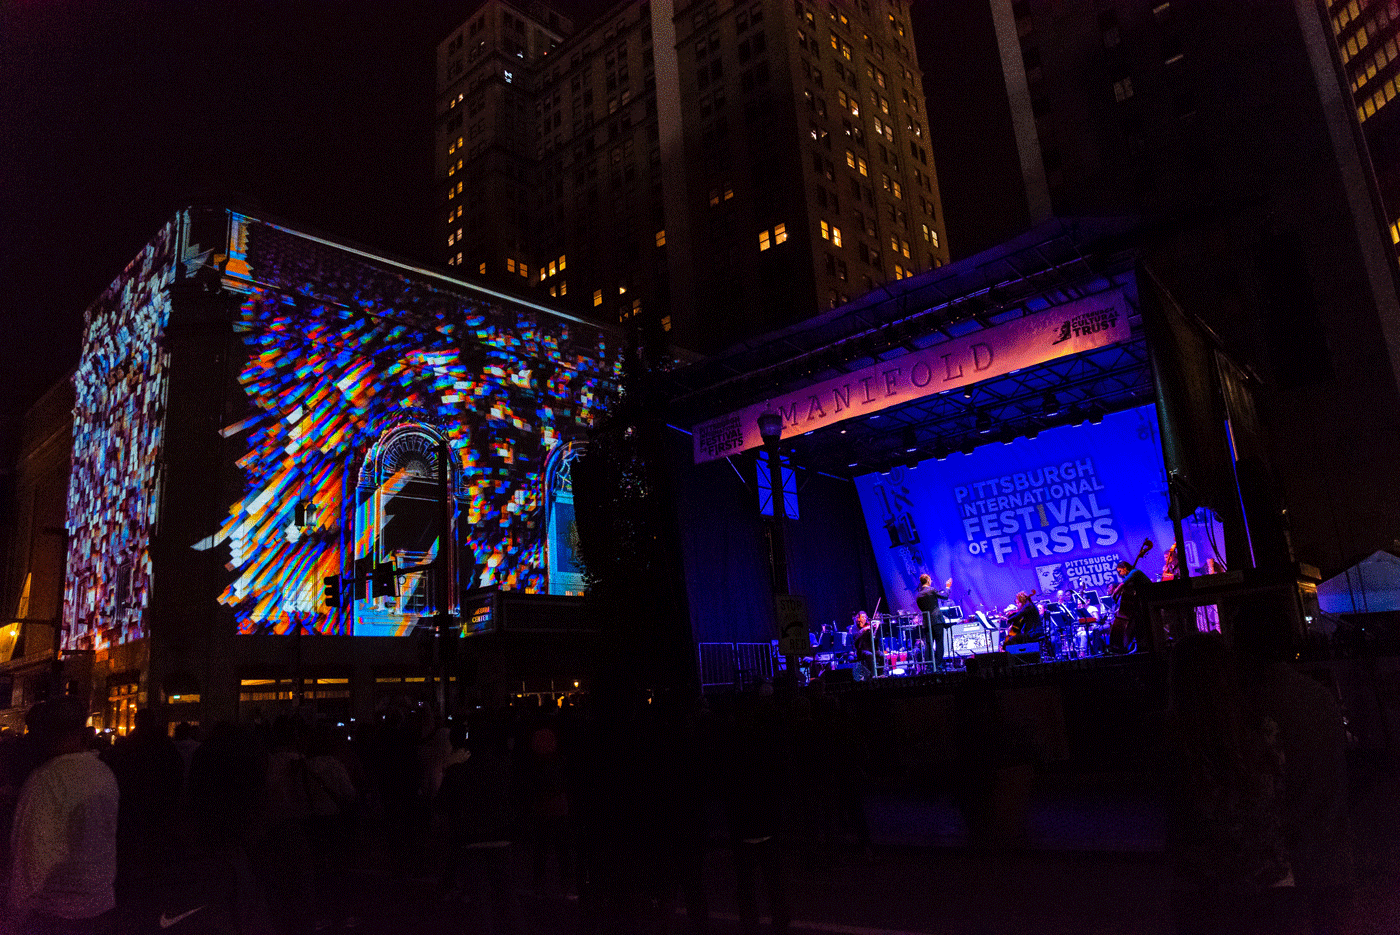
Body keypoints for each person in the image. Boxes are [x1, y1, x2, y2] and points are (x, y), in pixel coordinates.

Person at [9, 696, 120, 935]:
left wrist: (17, 912)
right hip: (98, 901)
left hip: (55, 911)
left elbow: (31, 857)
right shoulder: (104, 773)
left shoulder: (46, 780)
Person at [1109, 560, 1153, 653]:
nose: (1120, 574)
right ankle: (1138, 644)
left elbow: (1123, 584)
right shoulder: (1132, 575)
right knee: (1137, 622)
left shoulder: (1135, 572)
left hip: (1148, 599)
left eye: (1120, 571)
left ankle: (1142, 644)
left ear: (1125, 568)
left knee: (1139, 622)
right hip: (1142, 601)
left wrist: (1115, 593)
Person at [913, 574, 952, 670]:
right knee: (939, 642)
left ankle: (929, 664)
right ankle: (938, 664)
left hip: (927, 622)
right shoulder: (931, 590)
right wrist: (947, 587)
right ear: (928, 580)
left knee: (929, 643)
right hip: (937, 620)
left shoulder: (918, 594)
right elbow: (945, 596)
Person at [852, 612, 877, 679]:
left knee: (881, 655)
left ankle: (879, 673)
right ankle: (873, 675)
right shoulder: (854, 628)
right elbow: (856, 636)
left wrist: (876, 629)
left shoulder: (868, 626)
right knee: (869, 655)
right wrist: (864, 629)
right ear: (858, 618)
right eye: (862, 617)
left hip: (870, 648)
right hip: (861, 650)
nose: (864, 619)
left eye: (865, 617)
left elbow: (873, 637)